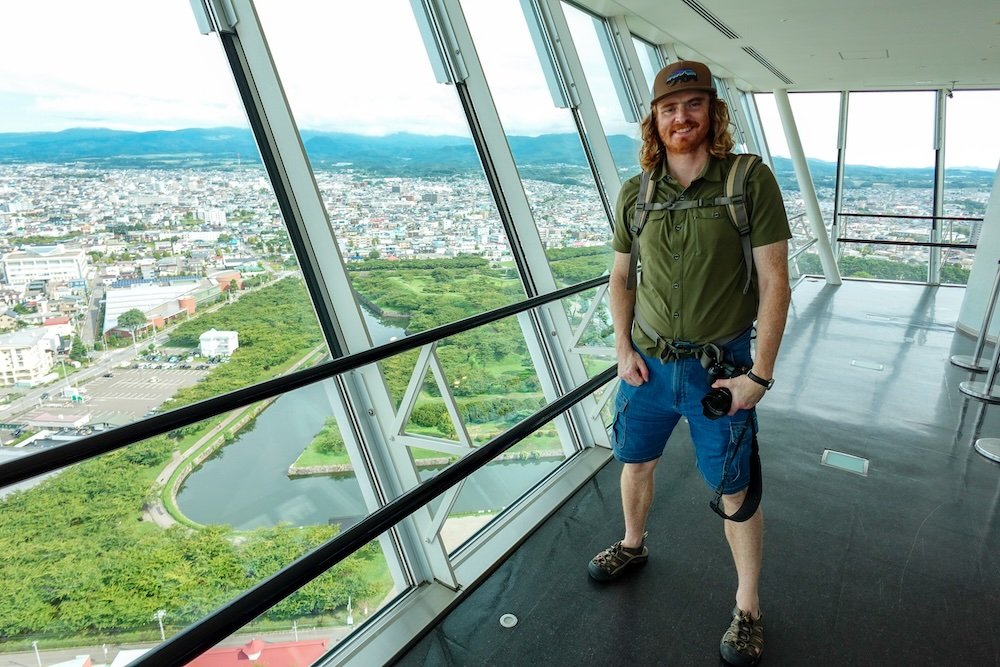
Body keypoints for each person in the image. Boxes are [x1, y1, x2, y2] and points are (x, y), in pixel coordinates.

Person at [587, 60, 791, 667]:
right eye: (670, 108)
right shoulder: (637, 191)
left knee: (736, 489)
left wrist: (758, 375)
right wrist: (622, 350)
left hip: (719, 369)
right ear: (655, 119)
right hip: (647, 365)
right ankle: (632, 544)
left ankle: (748, 607)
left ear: (713, 112)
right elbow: (621, 277)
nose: (682, 117)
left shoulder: (747, 181)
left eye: (694, 105)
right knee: (635, 461)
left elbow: (775, 281)